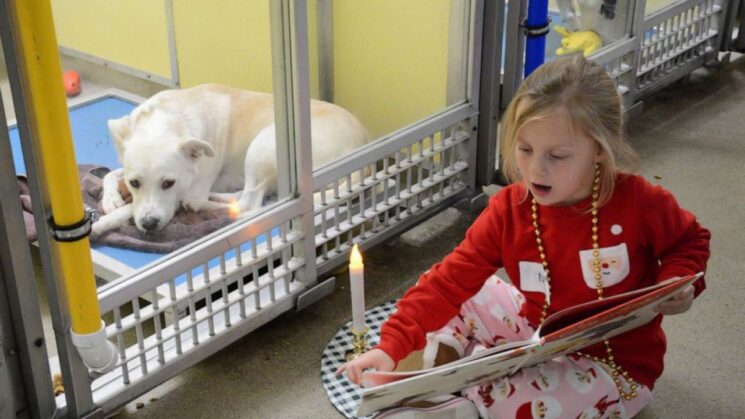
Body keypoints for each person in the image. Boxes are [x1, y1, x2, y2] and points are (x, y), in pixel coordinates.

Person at [337, 54, 710, 418]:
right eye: (525, 149)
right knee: (460, 289)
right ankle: (445, 372)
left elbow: (689, 241)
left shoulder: (640, 202)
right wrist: (389, 347)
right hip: (535, 335)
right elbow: (447, 283)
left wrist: (679, 282)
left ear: (598, 149)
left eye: (558, 155)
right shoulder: (509, 209)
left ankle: (466, 401)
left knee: (521, 404)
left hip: (612, 368)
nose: (535, 168)